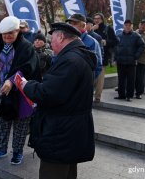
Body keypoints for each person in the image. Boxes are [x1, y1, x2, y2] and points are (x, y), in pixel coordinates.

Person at [21, 22, 96, 179]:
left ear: (61, 37)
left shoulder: (70, 60)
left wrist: (27, 85)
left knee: (54, 172)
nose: (50, 42)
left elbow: (47, 93)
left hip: (60, 134)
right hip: (70, 130)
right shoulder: (77, 56)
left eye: (52, 38)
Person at [0, 16, 40, 165]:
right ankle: (1, 148)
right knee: (2, 123)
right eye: (4, 33)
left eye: (10, 33)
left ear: (18, 31)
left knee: (20, 125)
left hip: (21, 94)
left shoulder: (27, 47)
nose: (7, 36)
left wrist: (12, 80)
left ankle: (17, 152)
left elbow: (29, 68)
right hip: (2, 93)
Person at [114, 20, 145, 101]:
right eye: (126, 25)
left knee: (131, 80)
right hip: (120, 61)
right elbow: (115, 47)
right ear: (123, 26)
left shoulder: (136, 36)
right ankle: (121, 95)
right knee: (121, 79)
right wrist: (115, 58)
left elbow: (142, 46)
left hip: (131, 62)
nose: (127, 27)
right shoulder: (119, 35)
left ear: (132, 26)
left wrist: (136, 56)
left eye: (129, 25)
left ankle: (129, 96)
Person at [66, 13, 102, 79]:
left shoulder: (92, 42)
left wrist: (87, 81)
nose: (71, 26)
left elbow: (97, 66)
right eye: (70, 23)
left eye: (74, 23)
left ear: (83, 25)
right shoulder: (66, 40)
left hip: (84, 83)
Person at [92, 12, 119, 101]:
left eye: (98, 18)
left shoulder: (108, 28)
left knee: (100, 78)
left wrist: (106, 42)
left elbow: (115, 41)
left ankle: (97, 97)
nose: (96, 20)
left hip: (103, 56)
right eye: (95, 18)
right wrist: (92, 30)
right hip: (91, 57)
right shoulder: (91, 28)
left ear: (102, 19)